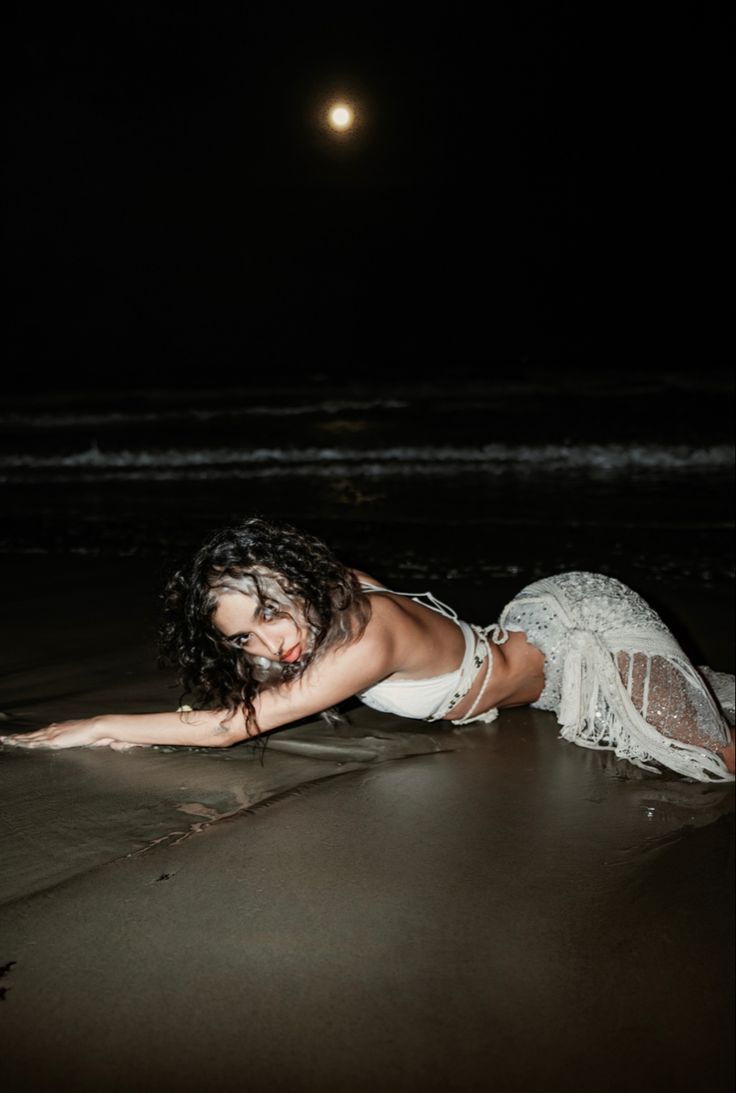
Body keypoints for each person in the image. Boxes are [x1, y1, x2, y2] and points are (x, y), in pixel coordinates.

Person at [1, 517, 734, 781]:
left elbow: (231, 727)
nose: (270, 642)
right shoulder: (329, 594)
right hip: (537, 633)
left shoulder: (365, 634)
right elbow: (250, 695)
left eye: (268, 614)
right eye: (243, 637)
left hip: (583, 639)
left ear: (293, 579)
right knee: (703, 689)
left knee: (713, 756)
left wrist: (99, 725)